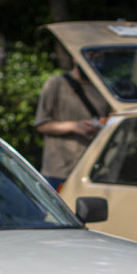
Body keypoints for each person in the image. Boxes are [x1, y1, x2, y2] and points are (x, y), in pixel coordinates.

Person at [35, 55, 111, 187]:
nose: (95, 63)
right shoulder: (56, 83)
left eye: (99, 59)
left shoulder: (103, 88)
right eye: (91, 58)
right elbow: (42, 125)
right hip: (59, 171)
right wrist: (74, 126)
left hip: (91, 171)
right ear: (76, 58)